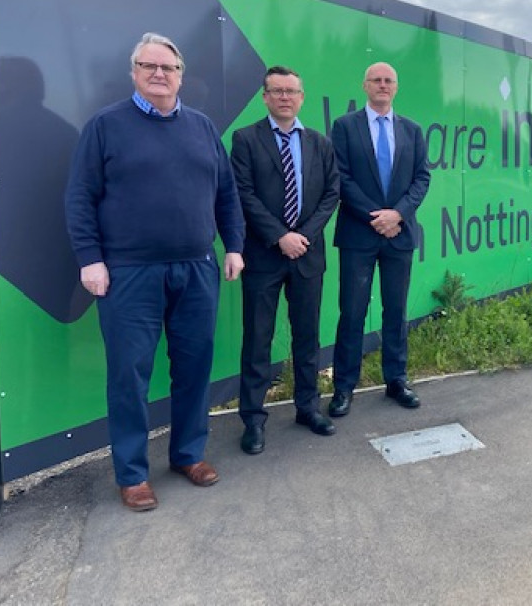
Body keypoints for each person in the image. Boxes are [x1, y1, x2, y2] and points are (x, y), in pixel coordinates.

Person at [65, 32, 245, 512]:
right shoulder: (105, 126)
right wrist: (90, 258)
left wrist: (234, 246)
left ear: (181, 74)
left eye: (168, 67)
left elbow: (225, 193)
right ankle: (132, 474)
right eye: (149, 66)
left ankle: (188, 454)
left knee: (194, 367)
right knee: (129, 375)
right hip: (129, 273)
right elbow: (79, 198)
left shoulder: (203, 128)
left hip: (196, 269)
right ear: (134, 73)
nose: (159, 74)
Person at [231, 66, 340, 454]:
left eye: (292, 91)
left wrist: (303, 237)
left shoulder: (319, 143)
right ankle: (254, 419)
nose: (284, 97)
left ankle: (308, 408)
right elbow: (243, 194)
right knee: (258, 338)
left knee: (307, 336)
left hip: (308, 256)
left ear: (302, 97)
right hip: (263, 255)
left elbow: (331, 194)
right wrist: (280, 236)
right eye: (276, 91)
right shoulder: (245, 140)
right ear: (264, 96)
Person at [328, 62, 430, 418]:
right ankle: (343, 387)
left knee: (396, 310)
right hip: (359, 234)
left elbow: (421, 179)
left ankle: (396, 380)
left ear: (396, 88)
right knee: (352, 312)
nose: (383, 85)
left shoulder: (412, 130)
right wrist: (377, 216)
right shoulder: (344, 127)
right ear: (365, 86)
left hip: (399, 235)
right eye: (377, 80)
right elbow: (340, 178)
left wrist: (397, 215)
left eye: (389, 81)